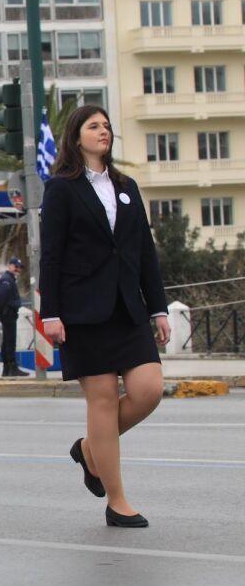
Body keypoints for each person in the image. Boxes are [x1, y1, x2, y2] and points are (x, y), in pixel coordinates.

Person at [40, 105, 169, 529]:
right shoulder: (61, 189)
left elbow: (143, 253)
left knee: (149, 388)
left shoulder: (127, 186)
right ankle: (117, 501)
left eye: (107, 126)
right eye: (94, 126)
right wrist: (51, 314)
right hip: (83, 311)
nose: (104, 131)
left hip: (128, 309)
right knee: (101, 401)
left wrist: (159, 307)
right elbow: (53, 255)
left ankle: (90, 449)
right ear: (76, 137)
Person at [0, 258, 29, 377]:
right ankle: (11, 367)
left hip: (9, 313)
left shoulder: (9, 279)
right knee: (10, 341)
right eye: (16, 266)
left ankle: (8, 368)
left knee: (8, 341)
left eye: (19, 267)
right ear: (10, 266)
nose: (18, 269)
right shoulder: (7, 280)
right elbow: (1, 297)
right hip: (8, 313)